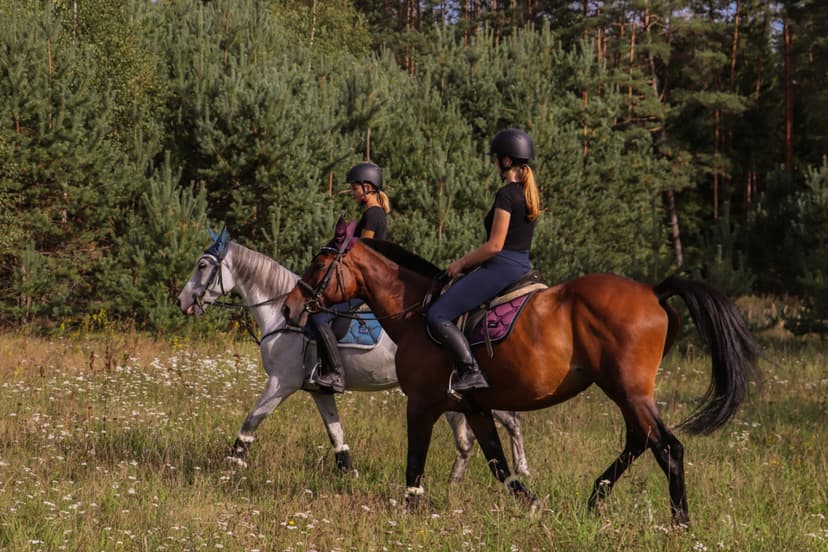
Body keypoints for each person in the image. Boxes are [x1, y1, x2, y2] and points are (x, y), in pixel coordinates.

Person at [426, 128, 540, 394]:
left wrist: (460, 264)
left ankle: (470, 371)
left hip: (501, 268)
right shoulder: (528, 193)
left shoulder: (507, 194)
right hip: (522, 265)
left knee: (437, 314)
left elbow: (495, 245)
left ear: (507, 160)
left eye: (497, 158)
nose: (495, 163)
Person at [310, 162, 391, 393]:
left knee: (319, 318)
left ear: (367, 187)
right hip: (362, 281)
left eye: (354, 188)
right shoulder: (372, 214)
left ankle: (335, 373)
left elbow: (359, 255)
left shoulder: (373, 215)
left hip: (363, 284)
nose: (352, 192)